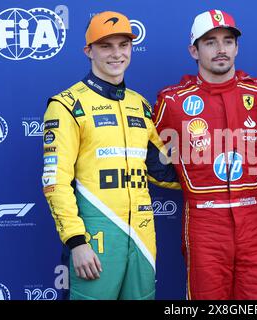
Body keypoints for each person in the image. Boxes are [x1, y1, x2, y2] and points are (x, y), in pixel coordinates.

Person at [42, 11, 179, 300]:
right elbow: (55, 182)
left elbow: (163, 169)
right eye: (106, 46)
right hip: (95, 237)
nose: (117, 54)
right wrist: (76, 242)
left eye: (123, 45)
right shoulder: (66, 104)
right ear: (88, 51)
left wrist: (217, 165)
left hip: (142, 237)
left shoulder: (139, 104)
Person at [152, 9, 257, 299]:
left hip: (252, 219)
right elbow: (147, 152)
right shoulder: (172, 100)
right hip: (204, 221)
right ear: (193, 50)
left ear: (237, 47)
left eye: (228, 41)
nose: (221, 49)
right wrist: (185, 179)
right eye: (210, 42)